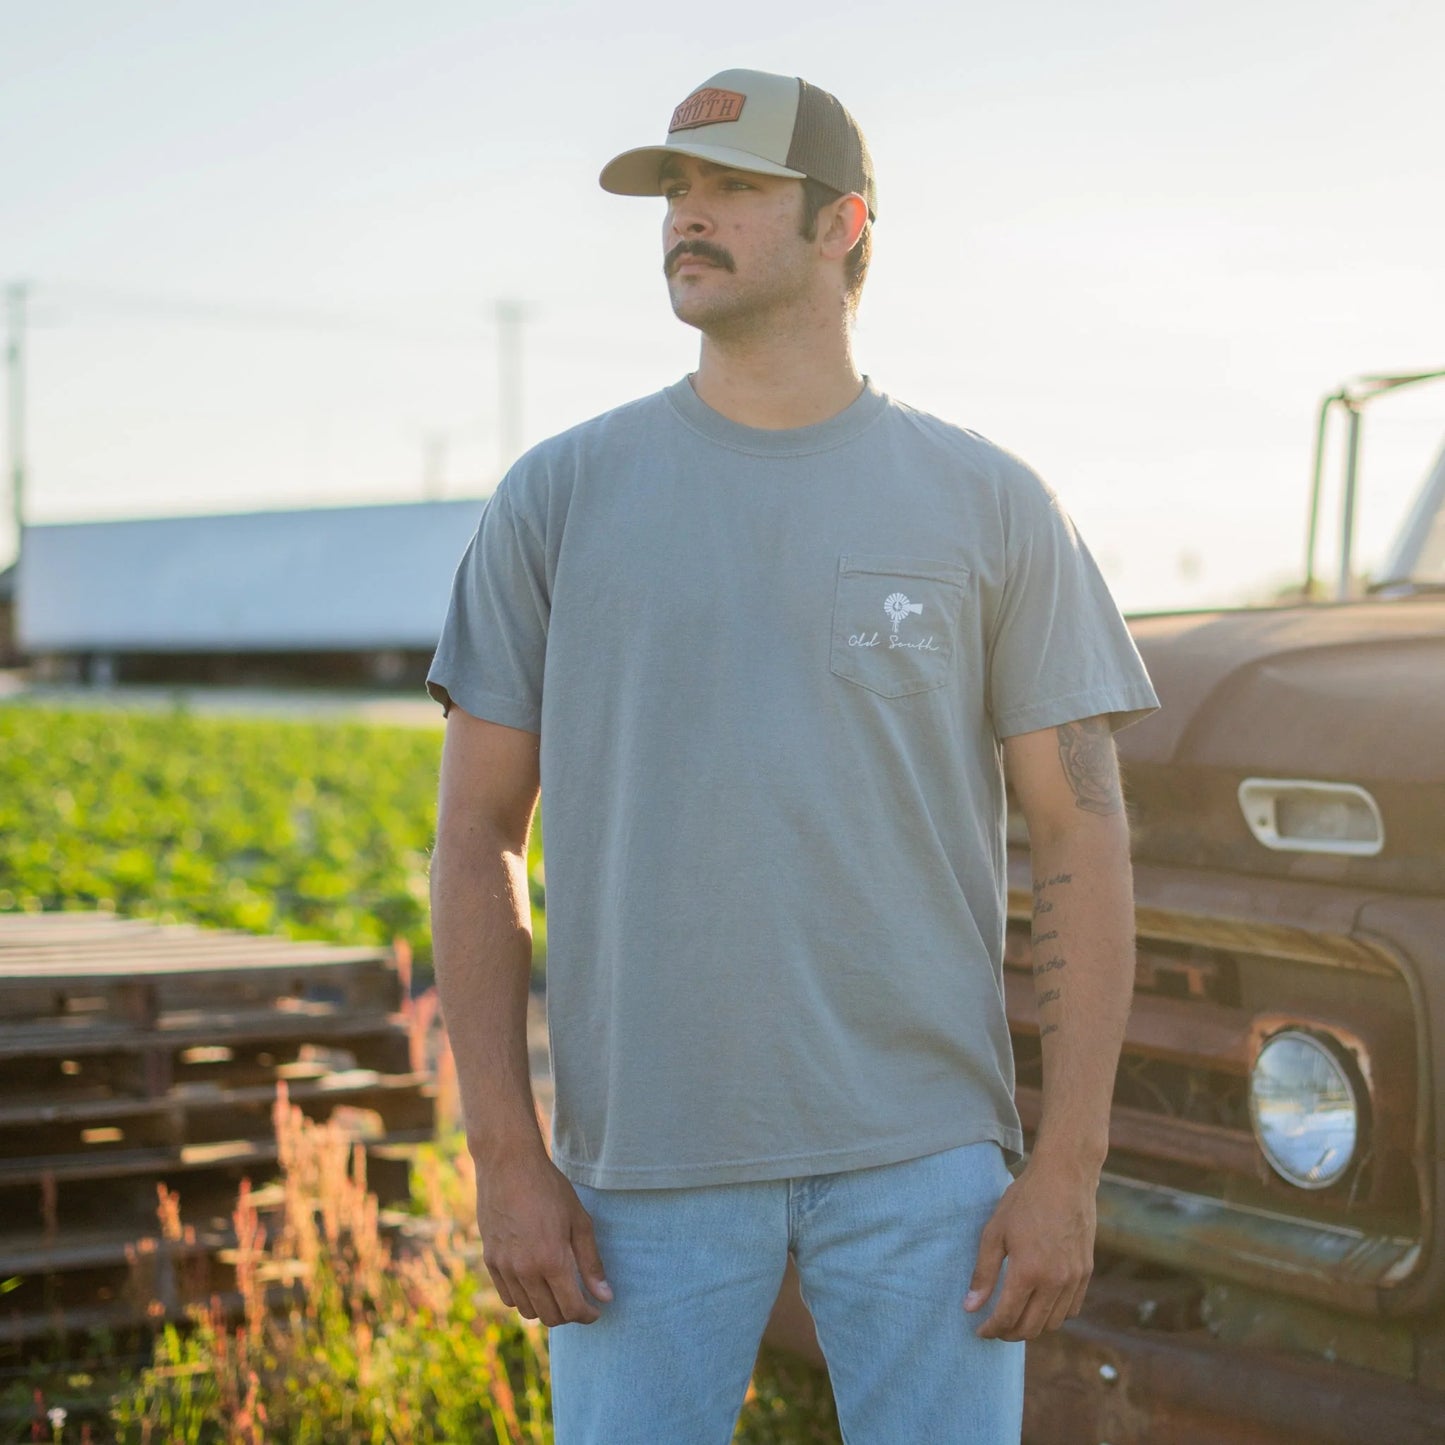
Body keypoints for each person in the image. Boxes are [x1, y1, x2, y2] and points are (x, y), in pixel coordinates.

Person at [426, 67, 1158, 1445]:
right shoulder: (559, 497)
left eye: (733, 189)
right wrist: (506, 1154)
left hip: (924, 1167)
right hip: (638, 1174)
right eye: (673, 191)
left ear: (843, 224)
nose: (684, 220)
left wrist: (1067, 1163)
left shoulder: (989, 502)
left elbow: (1079, 831)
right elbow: (478, 839)